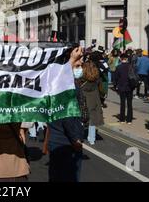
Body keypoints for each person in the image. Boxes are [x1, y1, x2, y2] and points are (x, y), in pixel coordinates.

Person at [44, 47, 85, 182]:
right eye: (78, 65)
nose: (81, 68)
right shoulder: (67, 85)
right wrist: (76, 140)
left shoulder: (54, 81)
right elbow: (68, 115)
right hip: (66, 142)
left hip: (56, 140)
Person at [81, 61, 105, 145]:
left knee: (81, 116)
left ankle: (79, 136)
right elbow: (101, 90)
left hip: (83, 98)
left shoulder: (82, 77)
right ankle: (92, 139)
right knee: (93, 119)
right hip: (94, 98)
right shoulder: (97, 77)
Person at [113, 53, 135, 124]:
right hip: (130, 87)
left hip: (121, 87)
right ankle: (129, 120)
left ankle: (122, 119)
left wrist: (115, 86)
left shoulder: (118, 67)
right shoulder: (131, 66)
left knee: (122, 103)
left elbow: (115, 78)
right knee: (129, 104)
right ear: (127, 59)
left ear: (121, 59)